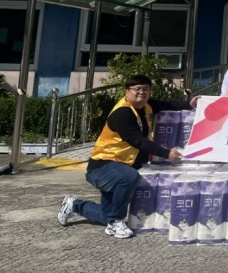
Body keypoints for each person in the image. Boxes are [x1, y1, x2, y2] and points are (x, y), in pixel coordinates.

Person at [57, 74, 199, 238]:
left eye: (146, 89)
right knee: (129, 178)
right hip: (103, 166)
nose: (142, 92)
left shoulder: (146, 105)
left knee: (106, 215)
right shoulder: (122, 113)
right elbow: (138, 141)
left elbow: (167, 104)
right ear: (127, 91)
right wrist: (167, 154)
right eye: (137, 89)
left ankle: (74, 205)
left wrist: (189, 104)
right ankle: (115, 223)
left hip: (122, 166)